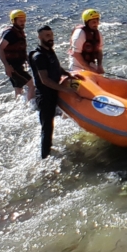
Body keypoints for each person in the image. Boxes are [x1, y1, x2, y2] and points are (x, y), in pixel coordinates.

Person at [29, 25, 82, 159]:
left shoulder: (49, 51)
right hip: (44, 96)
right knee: (47, 128)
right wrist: (67, 90)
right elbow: (45, 80)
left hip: (54, 93)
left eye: (51, 35)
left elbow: (55, 66)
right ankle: (45, 157)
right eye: (47, 36)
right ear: (39, 37)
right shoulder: (38, 56)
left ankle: (48, 150)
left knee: (51, 125)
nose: (50, 38)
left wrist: (67, 74)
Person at [0, 9, 33, 101]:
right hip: (13, 67)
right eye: (20, 21)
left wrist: (27, 59)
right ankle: (33, 107)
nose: (23, 23)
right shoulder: (10, 34)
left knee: (18, 90)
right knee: (31, 85)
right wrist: (6, 66)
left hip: (17, 66)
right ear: (13, 21)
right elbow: (0, 48)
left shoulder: (18, 31)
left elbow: (20, 49)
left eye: (24, 21)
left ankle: (19, 106)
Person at [70, 9, 104, 74]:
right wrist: (88, 68)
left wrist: (99, 65)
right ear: (87, 22)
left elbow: (99, 51)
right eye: (93, 22)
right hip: (77, 67)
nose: (96, 24)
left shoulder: (98, 34)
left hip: (90, 64)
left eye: (97, 21)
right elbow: (76, 54)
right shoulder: (79, 34)